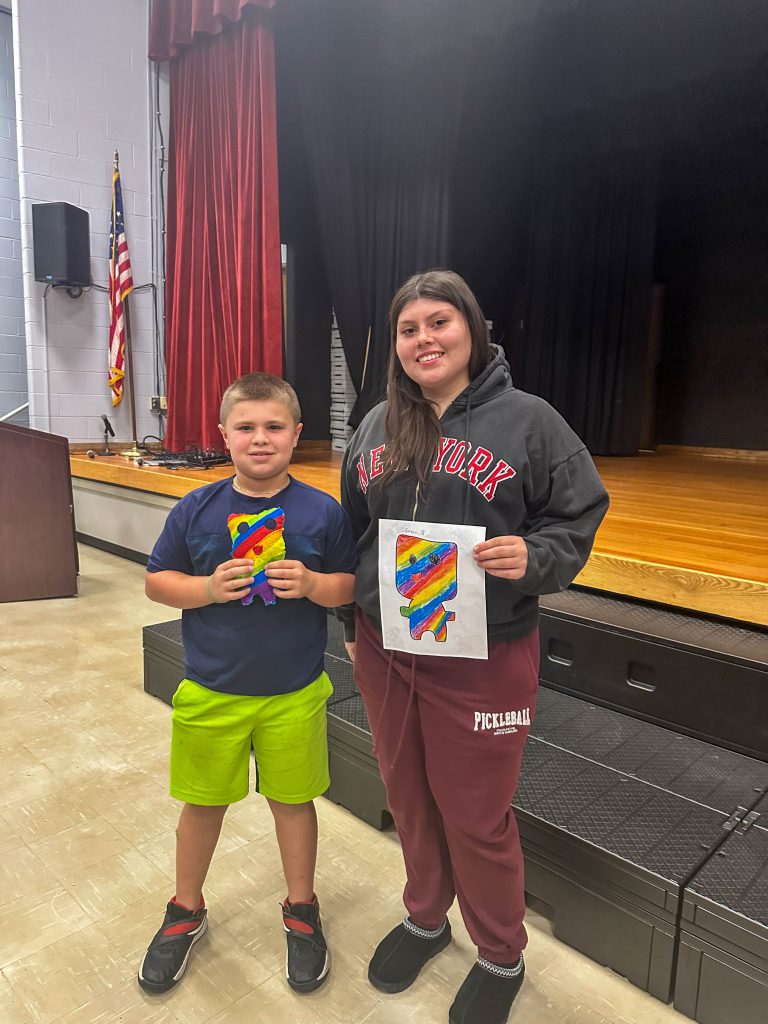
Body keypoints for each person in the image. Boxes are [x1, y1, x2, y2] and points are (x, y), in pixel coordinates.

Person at [340, 270, 609, 1024]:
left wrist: (537, 559)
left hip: (485, 654)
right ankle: (426, 915)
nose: (424, 338)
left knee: (475, 812)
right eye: (408, 328)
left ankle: (500, 950)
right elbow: (354, 528)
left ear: (472, 330)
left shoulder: (529, 421)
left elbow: (578, 513)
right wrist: (353, 624)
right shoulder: (372, 427)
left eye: (439, 322)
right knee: (407, 796)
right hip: (386, 649)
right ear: (394, 346)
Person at [138, 372, 357, 996]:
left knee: (294, 803)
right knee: (202, 804)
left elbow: (349, 586)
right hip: (212, 689)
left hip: (294, 691)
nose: (260, 439)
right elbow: (158, 582)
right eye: (246, 428)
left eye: (274, 427)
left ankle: (301, 909)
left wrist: (314, 584)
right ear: (223, 436)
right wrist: (207, 588)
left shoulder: (323, 511)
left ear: (296, 435)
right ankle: (184, 911)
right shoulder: (196, 508)